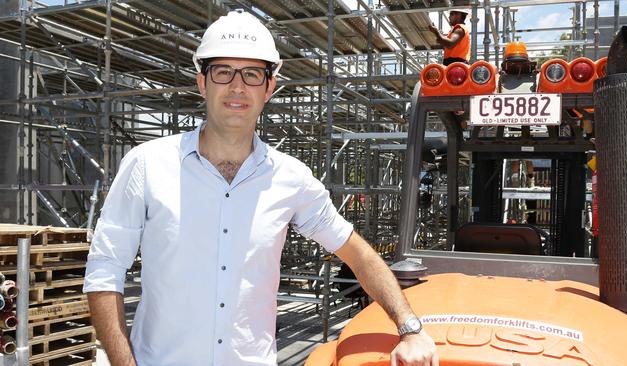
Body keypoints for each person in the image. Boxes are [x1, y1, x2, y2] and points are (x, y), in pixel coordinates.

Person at [83, 10, 439, 366]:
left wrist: (410, 327)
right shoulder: (147, 164)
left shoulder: (290, 178)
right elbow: (105, 268)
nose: (237, 87)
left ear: (269, 87)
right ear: (202, 82)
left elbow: (358, 255)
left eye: (252, 74)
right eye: (223, 72)